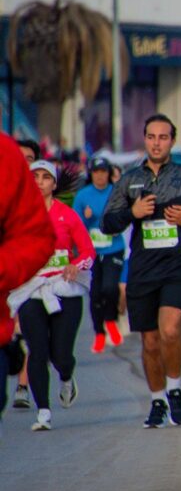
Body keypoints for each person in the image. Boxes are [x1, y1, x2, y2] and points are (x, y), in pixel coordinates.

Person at [101, 114, 181, 428]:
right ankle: (157, 400)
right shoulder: (129, 180)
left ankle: (175, 390)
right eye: (151, 137)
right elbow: (107, 223)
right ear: (145, 139)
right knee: (151, 341)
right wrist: (133, 212)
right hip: (143, 268)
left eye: (163, 137)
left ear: (172, 141)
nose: (156, 143)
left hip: (178, 265)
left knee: (170, 330)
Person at [7, 160, 95, 431]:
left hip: (63, 289)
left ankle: (66, 376)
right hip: (31, 291)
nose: (39, 182)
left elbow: (88, 252)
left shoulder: (67, 215)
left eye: (45, 177)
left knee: (61, 355)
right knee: (37, 351)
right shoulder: (17, 217)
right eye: (35, 177)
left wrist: (75, 265)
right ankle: (43, 412)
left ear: (54, 184)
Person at [0, 134, 57, 428]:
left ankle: (29, 386)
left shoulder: (5, 154)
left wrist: (3, 269)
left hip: (38, 290)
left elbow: (37, 238)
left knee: (48, 348)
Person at [72, 157, 126, 354]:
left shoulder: (116, 193)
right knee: (95, 293)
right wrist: (87, 219)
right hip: (91, 252)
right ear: (91, 174)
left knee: (110, 288)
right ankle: (99, 332)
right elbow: (75, 226)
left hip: (113, 248)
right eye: (96, 172)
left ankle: (111, 320)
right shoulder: (82, 195)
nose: (100, 175)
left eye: (103, 171)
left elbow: (125, 217)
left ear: (108, 173)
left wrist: (115, 224)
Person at [12, 138, 42, 409]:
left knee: (27, 329)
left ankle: (23, 385)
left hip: (33, 272)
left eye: (29, 159)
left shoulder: (43, 199)